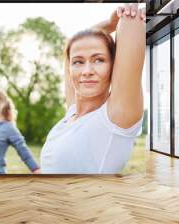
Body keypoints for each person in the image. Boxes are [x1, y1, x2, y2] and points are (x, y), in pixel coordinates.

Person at [40, 4, 146, 174]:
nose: (87, 71)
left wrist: (125, 14)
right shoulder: (72, 112)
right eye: (78, 62)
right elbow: (72, 48)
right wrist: (107, 25)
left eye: (98, 60)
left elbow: (131, 22)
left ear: (114, 66)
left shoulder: (115, 118)